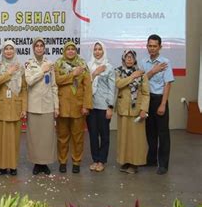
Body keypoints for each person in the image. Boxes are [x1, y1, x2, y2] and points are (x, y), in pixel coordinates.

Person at [55, 41, 92, 174]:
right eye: (68, 49)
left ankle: (76, 161)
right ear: (64, 51)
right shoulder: (58, 64)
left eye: (73, 49)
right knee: (62, 137)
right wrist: (73, 74)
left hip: (78, 107)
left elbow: (88, 87)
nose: (70, 51)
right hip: (62, 106)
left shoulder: (83, 64)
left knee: (78, 137)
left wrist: (86, 106)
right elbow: (57, 80)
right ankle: (63, 162)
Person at [0, 40, 27, 176]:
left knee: (14, 138)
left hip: (15, 106)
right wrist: (9, 73)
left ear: (14, 51)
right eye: (6, 48)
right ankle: (1, 166)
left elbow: (24, 89)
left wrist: (24, 107)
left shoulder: (21, 68)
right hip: (1, 106)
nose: (8, 51)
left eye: (11, 48)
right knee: (0, 138)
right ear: (3, 51)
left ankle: (13, 166)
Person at [141, 34, 174, 175]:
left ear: (160, 47)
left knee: (163, 133)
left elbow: (168, 84)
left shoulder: (165, 62)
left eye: (155, 46)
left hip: (160, 99)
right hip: (148, 100)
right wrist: (153, 71)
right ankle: (152, 160)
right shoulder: (143, 62)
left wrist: (163, 104)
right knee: (150, 132)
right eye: (150, 45)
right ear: (146, 46)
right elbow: (141, 80)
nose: (152, 48)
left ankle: (163, 164)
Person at [25, 37, 59, 175]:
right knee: (34, 136)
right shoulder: (28, 63)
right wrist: (41, 71)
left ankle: (44, 163)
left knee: (46, 137)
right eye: (36, 46)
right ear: (33, 48)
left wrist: (56, 106)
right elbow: (29, 81)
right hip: (33, 105)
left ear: (44, 48)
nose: (39, 48)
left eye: (41, 46)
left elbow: (54, 86)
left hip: (47, 105)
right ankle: (36, 163)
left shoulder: (50, 64)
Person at [115, 50, 150, 174]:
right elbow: (119, 84)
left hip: (137, 110)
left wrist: (144, 109)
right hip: (123, 109)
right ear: (123, 59)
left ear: (135, 59)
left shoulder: (142, 74)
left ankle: (135, 164)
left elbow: (146, 93)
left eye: (131, 57)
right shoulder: (118, 71)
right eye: (127, 57)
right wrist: (132, 76)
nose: (129, 59)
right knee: (124, 138)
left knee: (136, 139)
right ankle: (125, 161)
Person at [86, 41, 115, 172]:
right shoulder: (88, 66)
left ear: (103, 51)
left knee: (104, 135)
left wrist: (110, 107)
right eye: (95, 49)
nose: (97, 52)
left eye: (100, 49)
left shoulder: (109, 67)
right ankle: (95, 159)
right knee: (92, 134)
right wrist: (95, 73)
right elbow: (85, 85)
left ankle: (102, 160)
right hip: (91, 105)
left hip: (104, 105)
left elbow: (111, 88)